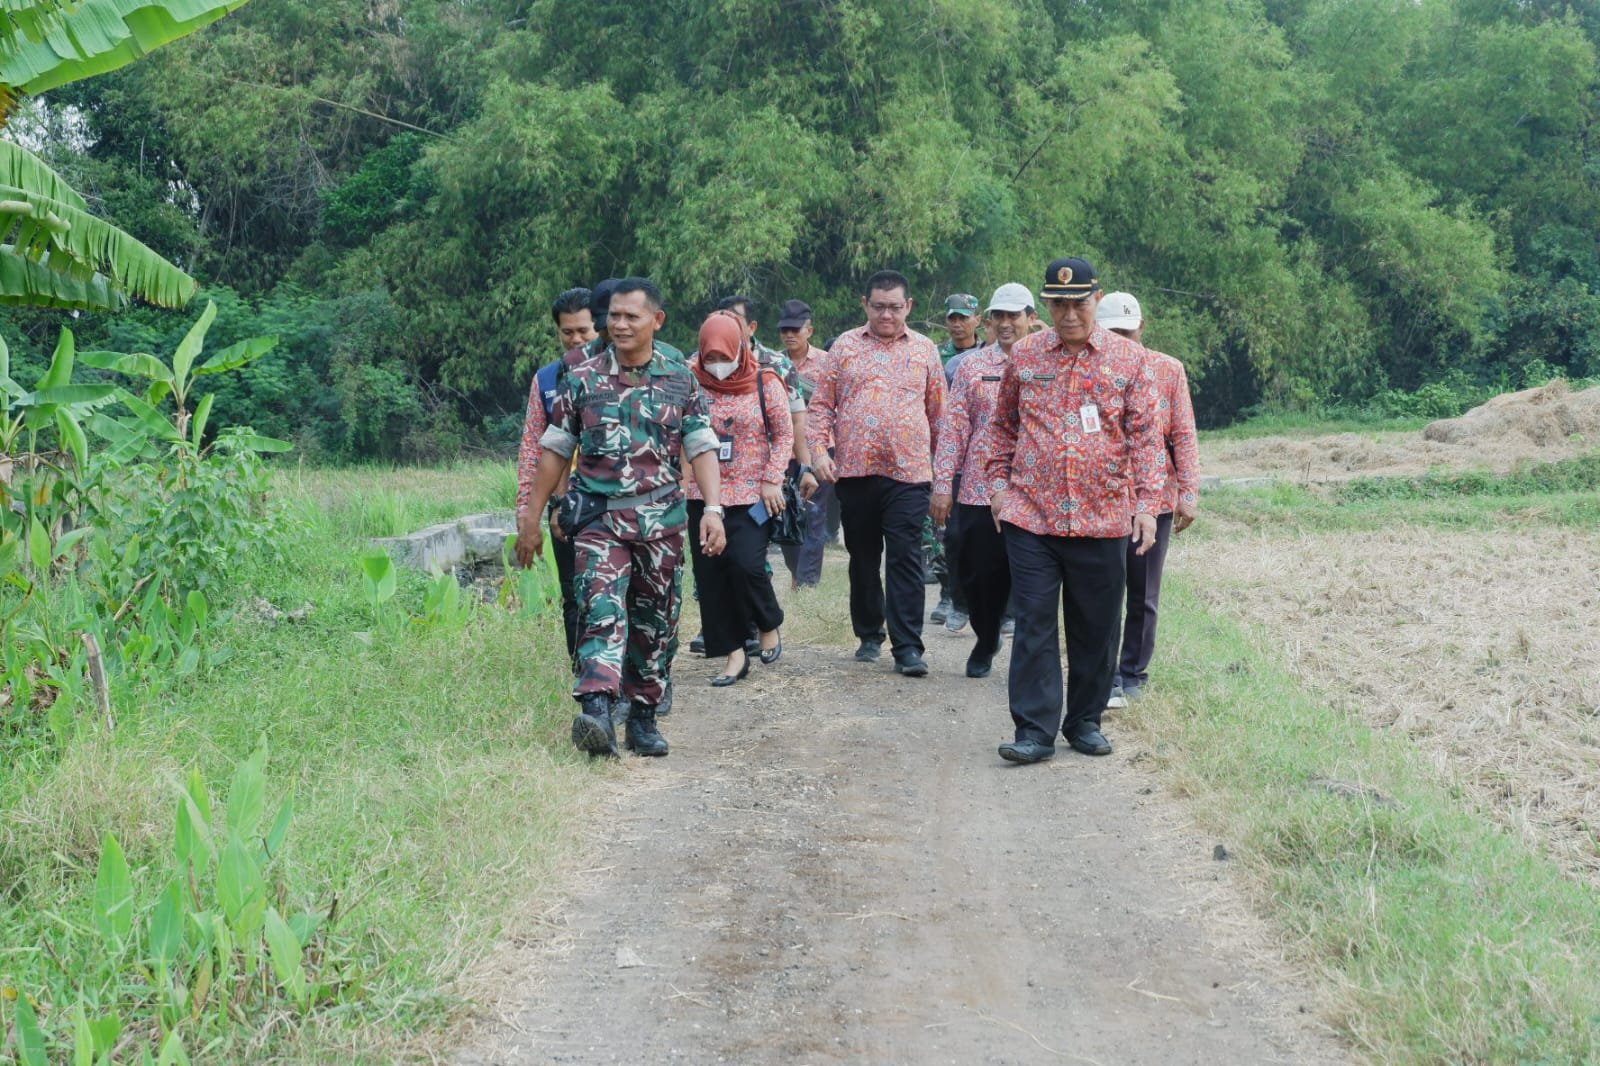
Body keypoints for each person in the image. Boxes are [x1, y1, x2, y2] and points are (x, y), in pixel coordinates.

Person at [522, 278, 726, 758]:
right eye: (613, 315)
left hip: (661, 522)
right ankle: (596, 712)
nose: (620, 324)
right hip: (600, 520)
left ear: (657, 320)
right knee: (600, 611)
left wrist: (713, 510)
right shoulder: (581, 377)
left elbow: (701, 446)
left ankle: (643, 718)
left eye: (631, 316)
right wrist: (531, 517)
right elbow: (555, 450)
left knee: (655, 623)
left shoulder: (680, 379)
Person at [985, 257, 1163, 763]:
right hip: (1031, 517)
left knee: (1096, 627)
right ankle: (1034, 730)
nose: (1068, 315)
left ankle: (1084, 720)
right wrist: (998, 486)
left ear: (1096, 300)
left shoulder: (1129, 360)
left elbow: (1147, 439)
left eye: (1078, 304)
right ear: (1046, 305)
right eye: (1058, 305)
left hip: (1103, 519)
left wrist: (1147, 506)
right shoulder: (1025, 355)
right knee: (1034, 623)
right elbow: (1002, 426)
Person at [808, 270, 945, 676]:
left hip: (910, 473)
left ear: (909, 307)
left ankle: (908, 647)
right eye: (879, 306)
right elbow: (821, 407)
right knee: (864, 557)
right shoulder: (845, 347)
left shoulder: (925, 350)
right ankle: (869, 633)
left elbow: (941, 416)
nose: (887, 315)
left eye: (895, 307)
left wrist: (944, 476)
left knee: (905, 556)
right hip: (855, 472)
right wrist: (819, 453)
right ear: (865, 304)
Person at [1095, 292, 1200, 707]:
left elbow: (1184, 433)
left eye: (1128, 332)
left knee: (1143, 592)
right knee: (1103, 591)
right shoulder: (1088, 368)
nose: (1122, 340)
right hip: (1102, 498)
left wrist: (1188, 492)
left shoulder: (1168, 370)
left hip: (1154, 498)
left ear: (1141, 328)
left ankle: (1133, 672)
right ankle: (1103, 675)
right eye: (1113, 333)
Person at [930, 282, 1031, 678]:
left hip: (1032, 491)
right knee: (975, 574)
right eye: (998, 316)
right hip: (977, 489)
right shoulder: (971, 367)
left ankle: (1029, 660)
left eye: (1013, 316)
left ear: (1030, 318)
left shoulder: (1048, 364)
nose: (1006, 324)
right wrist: (943, 485)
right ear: (988, 321)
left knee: (1032, 577)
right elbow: (954, 429)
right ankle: (986, 637)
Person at [685, 311, 792, 685]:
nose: (717, 365)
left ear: (740, 349)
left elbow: (784, 434)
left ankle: (767, 621)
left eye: (724, 356)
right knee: (712, 576)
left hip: (751, 494)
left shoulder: (765, 381)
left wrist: (772, 478)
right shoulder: (690, 382)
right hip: (702, 494)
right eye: (710, 357)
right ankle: (733, 654)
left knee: (746, 565)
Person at [515, 287, 599, 661]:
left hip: (613, 503)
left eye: (584, 331)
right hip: (564, 507)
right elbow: (533, 449)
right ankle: (585, 676)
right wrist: (527, 513)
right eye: (568, 332)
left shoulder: (622, 374)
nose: (576, 339)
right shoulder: (547, 380)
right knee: (573, 593)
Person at [775, 299, 834, 589]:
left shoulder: (826, 362)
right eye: (784, 330)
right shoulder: (773, 363)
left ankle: (808, 582)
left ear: (809, 330)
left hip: (819, 448)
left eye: (795, 329)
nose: (789, 335)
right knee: (788, 512)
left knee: (814, 513)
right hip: (783, 451)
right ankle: (797, 573)